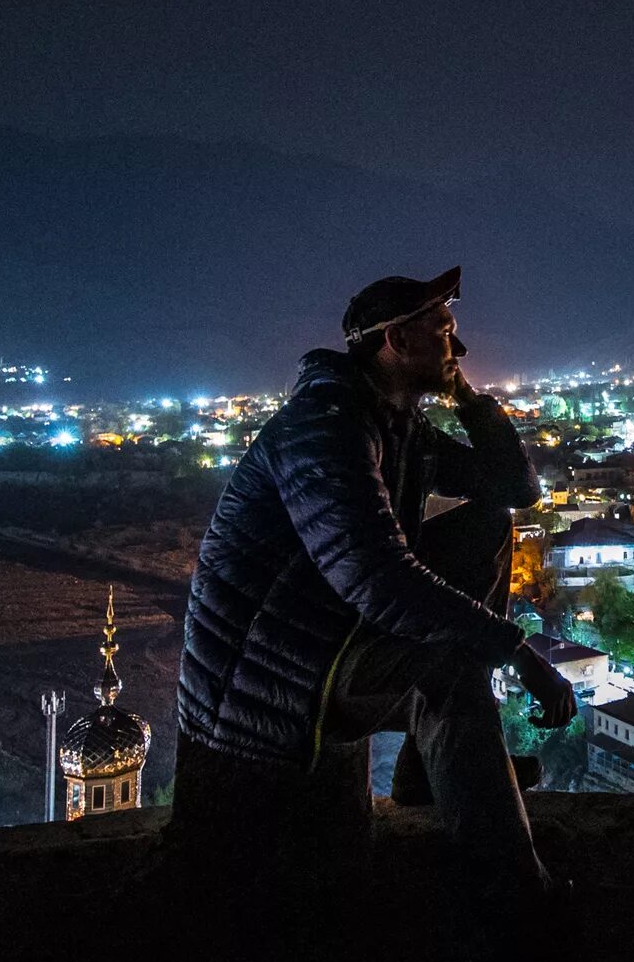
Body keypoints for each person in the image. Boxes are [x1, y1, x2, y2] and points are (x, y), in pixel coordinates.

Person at [172, 266, 576, 906]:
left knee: (489, 527)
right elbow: (377, 578)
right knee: (452, 669)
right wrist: (517, 650)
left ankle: (428, 776)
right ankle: (518, 901)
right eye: (445, 333)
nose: (460, 349)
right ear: (397, 341)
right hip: (277, 668)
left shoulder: (395, 426)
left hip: (333, 631)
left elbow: (515, 490)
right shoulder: (326, 430)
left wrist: (469, 399)